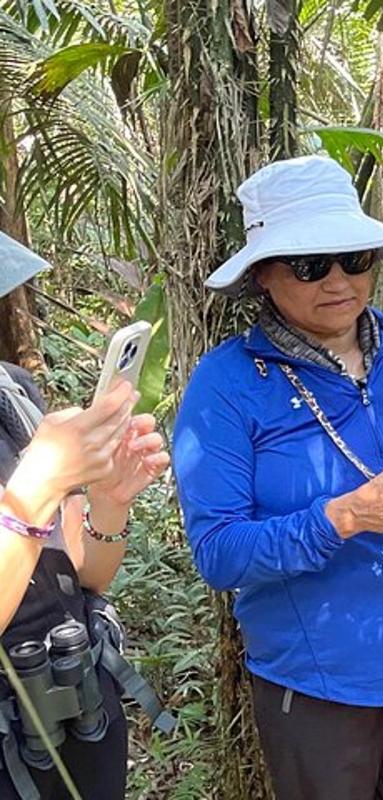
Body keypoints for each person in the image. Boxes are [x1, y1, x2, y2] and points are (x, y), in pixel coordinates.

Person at [173, 154, 383, 800]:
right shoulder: (229, 384)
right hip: (317, 683)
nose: (338, 281)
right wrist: (343, 517)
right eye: (309, 265)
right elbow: (218, 553)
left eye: (355, 259)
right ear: (263, 276)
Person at [0, 231, 170, 800]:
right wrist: (38, 484)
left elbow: (83, 573)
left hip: (76, 699)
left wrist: (109, 500)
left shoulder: (13, 393)